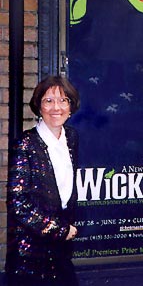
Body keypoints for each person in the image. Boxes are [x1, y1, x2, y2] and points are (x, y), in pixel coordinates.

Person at [6, 76, 80, 286]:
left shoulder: (72, 138)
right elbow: (18, 204)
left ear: (71, 106)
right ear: (38, 106)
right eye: (48, 101)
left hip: (61, 250)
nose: (56, 107)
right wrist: (58, 229)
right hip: (31, 254)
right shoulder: (25, 144)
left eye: (63, 100)